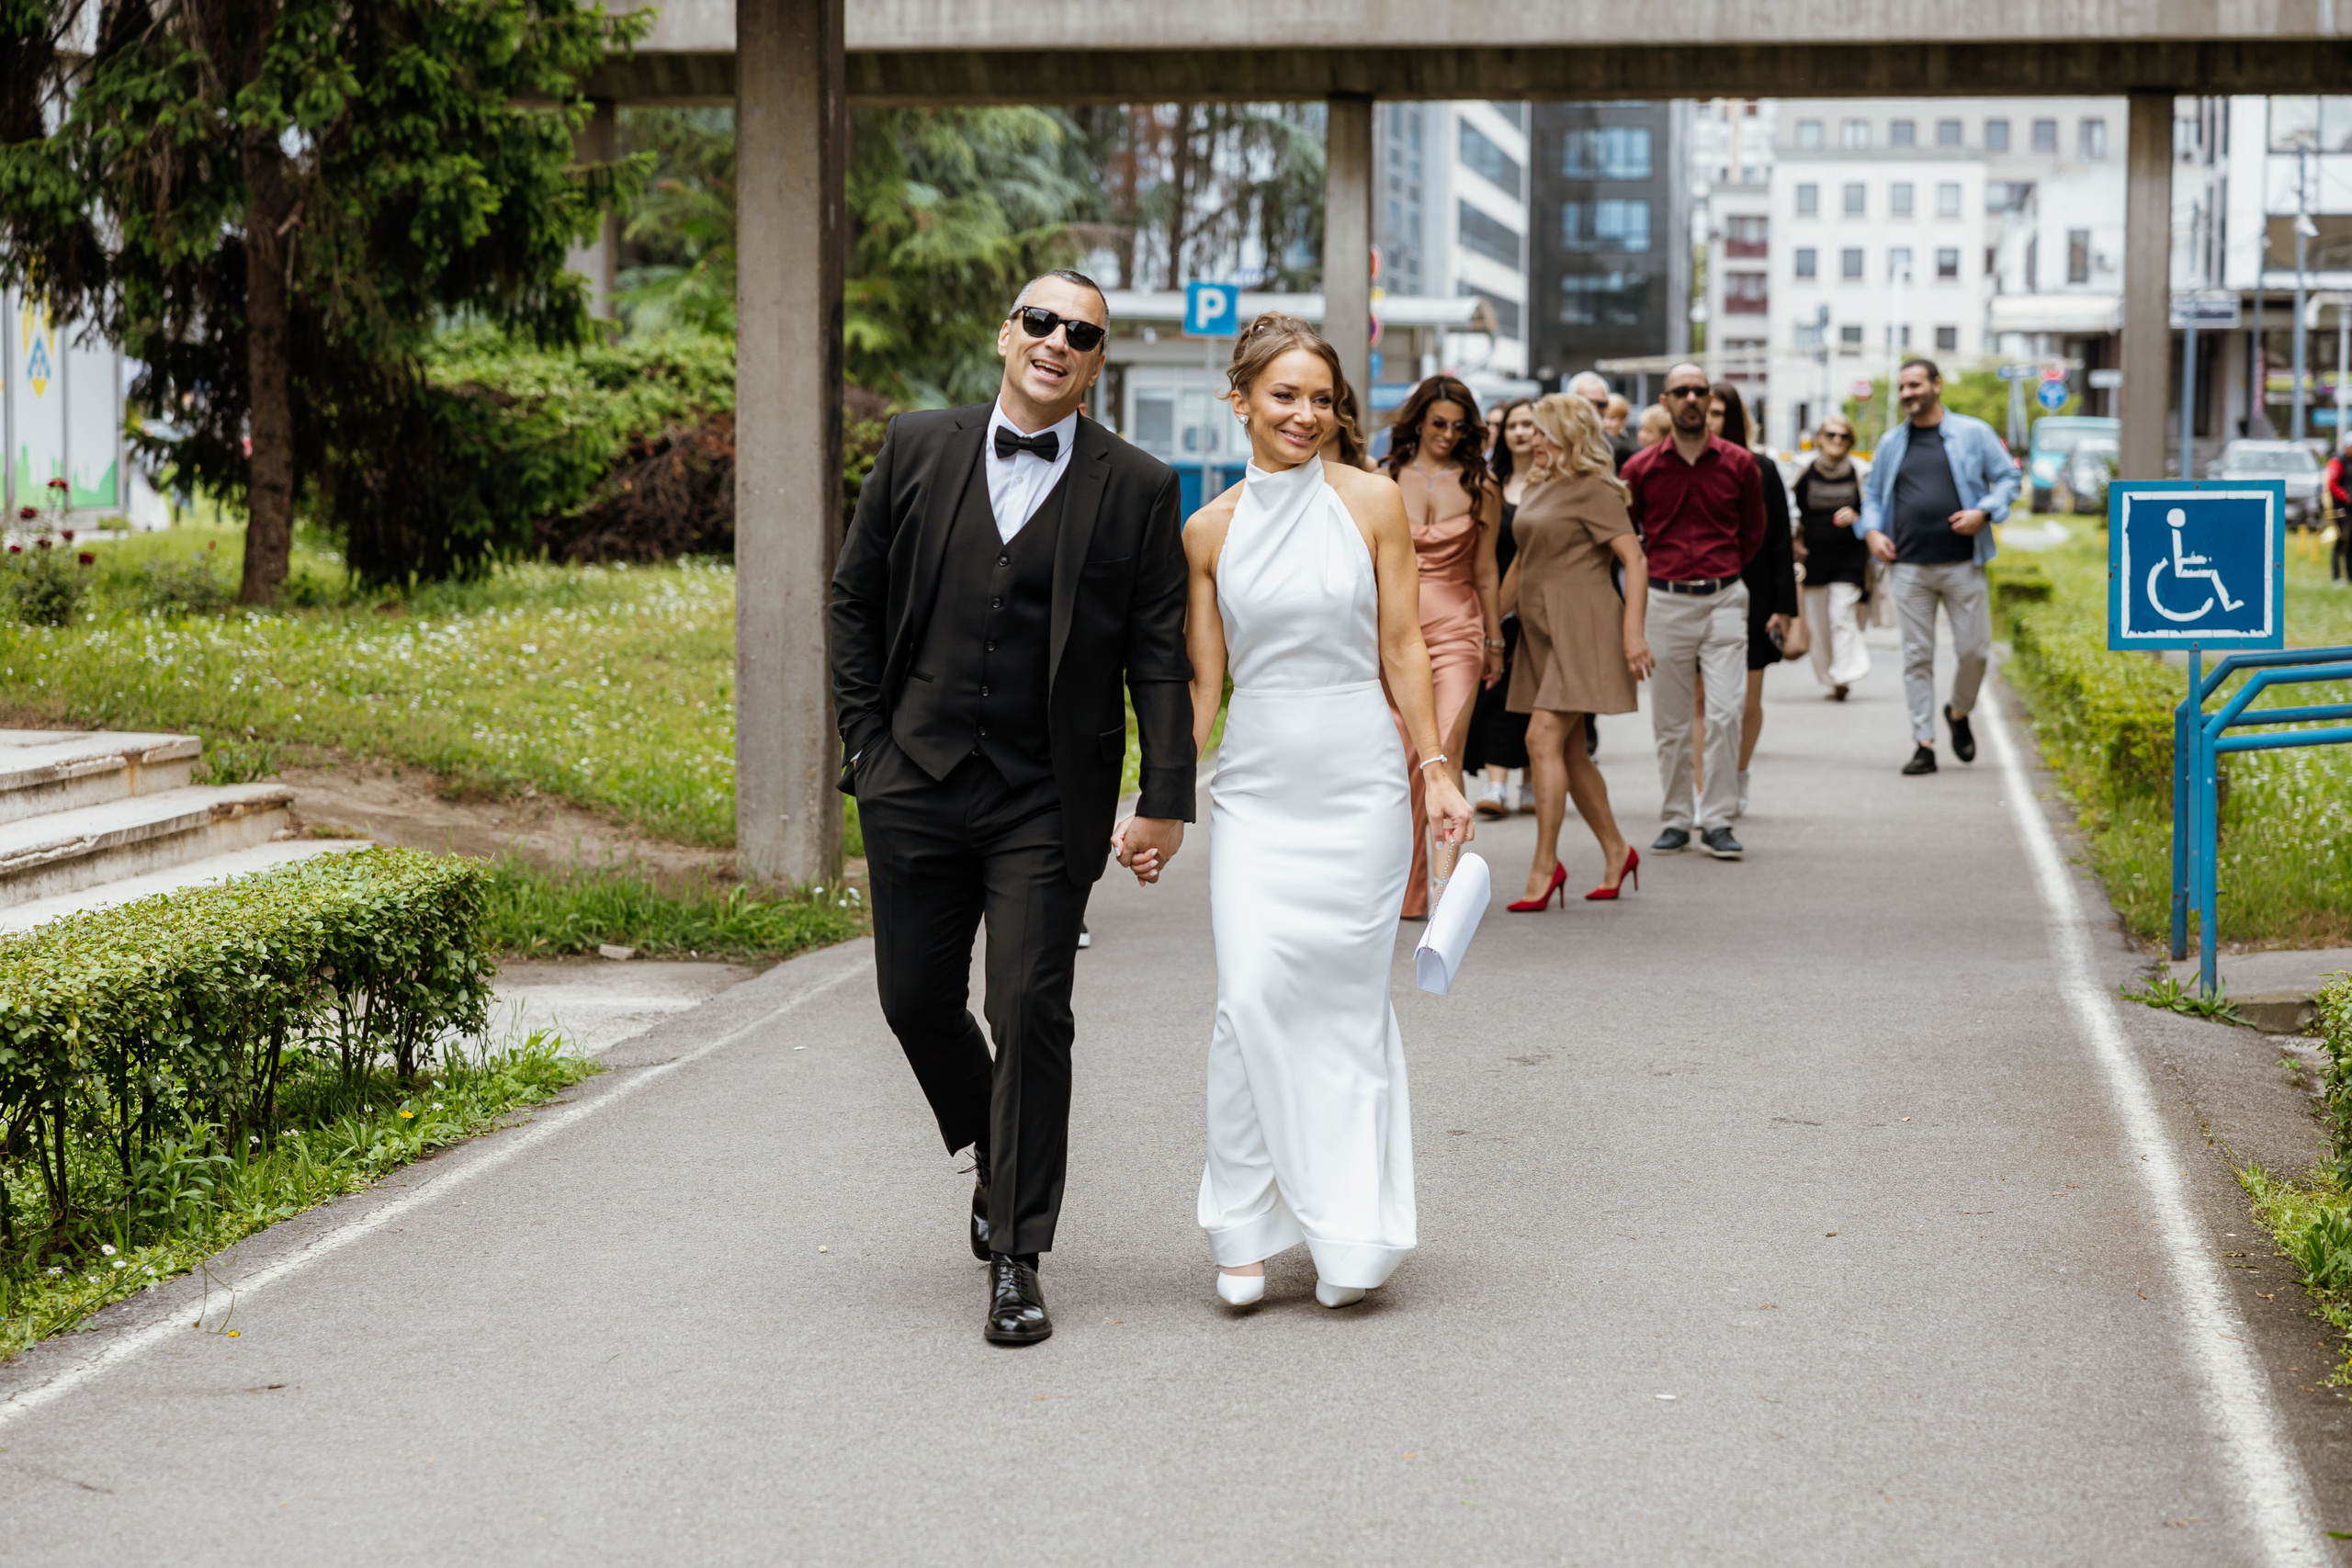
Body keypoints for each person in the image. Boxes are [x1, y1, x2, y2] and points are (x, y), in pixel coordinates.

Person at [829, 270, 1194, 1348]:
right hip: (915, 780)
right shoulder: (916, 444)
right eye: (1040, 321)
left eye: (1080, 334)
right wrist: (866, 744)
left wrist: (1163, 794)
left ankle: (1017, 1253)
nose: (1055, 342)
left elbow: (1157, 656)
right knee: (913, 1001)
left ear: (1095, 362)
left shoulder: (1137, 484)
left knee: (1031, 1009)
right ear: (1006, 334)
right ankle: (999, 1145)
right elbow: (853, 599)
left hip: (1046, 795)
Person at [1178, 313, 1473, 1311]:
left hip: (1358, 786)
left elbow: (1401, 647)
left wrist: (1433, 765)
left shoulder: (1372, 502)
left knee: (1342, 1011)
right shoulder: (1207, 531)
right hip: (1258, 791)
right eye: (1284, 396)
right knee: (1248, 998)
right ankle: (1245, 1228)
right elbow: (1204, 688)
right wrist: (1161, 798)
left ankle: (1349, 1228)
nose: (1306, 415)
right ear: (1241, 402)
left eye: (1320, 398)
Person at [1502, 393, 1652, 908]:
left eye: (1541, 431)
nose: (1532, 440)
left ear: (1567, 434)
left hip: (1584, 627)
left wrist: (1633, 634)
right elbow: (1522, 562)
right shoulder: (1542, 486)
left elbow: (1634, 560)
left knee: (1540, 739)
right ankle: (1616, 850)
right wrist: (1488, 632)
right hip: (1541, 628)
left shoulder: (1595, 489)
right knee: (1567, 750)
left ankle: (1546, 865)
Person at [1621, 362, 1764, 860]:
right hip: (1664, 599)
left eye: (1698, 391)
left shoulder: (1739, 464)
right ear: (1665, 401)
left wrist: (1726, 572)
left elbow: (1754, 532)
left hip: (1724, 596)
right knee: (1671, 722)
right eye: (1680, 391)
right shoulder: (1639, 470)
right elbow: (1628, 541)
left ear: (1708, 399)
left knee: (1726, 713)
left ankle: (1719, 818)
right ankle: (1678, 818)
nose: (1690, 398)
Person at [1859, 357, 2019, 775]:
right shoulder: (1892, 441)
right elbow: (1872, 495)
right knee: (1916, 656)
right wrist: (1872, 532)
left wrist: (1983, 512)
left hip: (1963, 564)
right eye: (1902, 388)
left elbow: (2008, 479)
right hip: (1908, 566)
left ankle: (1959, 712)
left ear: (1936, 385)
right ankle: (1923, 743)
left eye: (1914, 385)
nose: (1907, 394)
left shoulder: (1973, 432)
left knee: (1974, 652)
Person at [1381, 376, 1505, 917]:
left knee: (1444, 749)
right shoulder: (1381, 478)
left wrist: (1494, 639)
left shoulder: (1483, 486)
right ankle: (1407, 892)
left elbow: (1485, 569)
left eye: (1459, 427)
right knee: (1405, 755)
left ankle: (1449, 889)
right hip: (1396, 629)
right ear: (1417, 421)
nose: (1448, 435)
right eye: (1438, 424)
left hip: (1459, 627)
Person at [1702, 382, 1796, 820]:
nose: (1708, 419)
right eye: (1705, 410)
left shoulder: (1760, 468)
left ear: (1733, 418)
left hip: (1754, 596)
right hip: (1697, 594)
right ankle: (1707, 791)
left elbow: (1780, 541)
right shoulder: (1687, 467)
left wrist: (1785, 607)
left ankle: (1737, 773)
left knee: (1746, 701)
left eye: (1718, 412)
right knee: (1703, 703)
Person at [1466, 398, 1536, 819]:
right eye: (1514, 425)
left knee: (1540, 694)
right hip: (1497, 605)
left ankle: (1532, 781)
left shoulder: (1555, 483)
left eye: (1530, 424)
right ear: (1503, 433)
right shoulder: (1491, 483)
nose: (1522, 432)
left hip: (1545, 605)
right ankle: (1496, 783)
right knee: (1497, 693)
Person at [1792, 416, 1872, 698]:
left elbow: (1874, 511)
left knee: (1842, 615)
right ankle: (1829, 676)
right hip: (1812, 558)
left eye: (1843, 436)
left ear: (1851, 442)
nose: (1836, 441)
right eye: (1831, 435)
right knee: (1818, 623)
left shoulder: (1860, 472)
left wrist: (1857, 516)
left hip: (1849, 558)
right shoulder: (1801, 470)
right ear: (1819, 438)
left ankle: (1843, 675)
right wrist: (1795, 539)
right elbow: (1789, 509)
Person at [2326, 434, 2351, 582]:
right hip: (2341, 509)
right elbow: (2332, 484)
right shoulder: (2338, 461)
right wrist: (2345, 497)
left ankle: (2350, 576)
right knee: (2342, 540)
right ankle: (2336, 577)